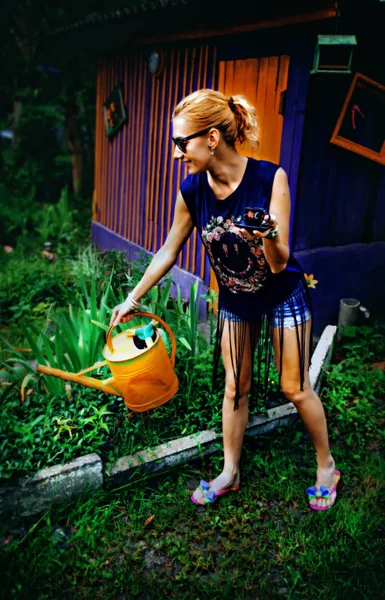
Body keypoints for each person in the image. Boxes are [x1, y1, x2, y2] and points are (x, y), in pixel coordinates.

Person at [110, 89, 340, 510]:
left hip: (281, 292)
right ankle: (230, 471)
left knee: (295, 386)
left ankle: (327, 465)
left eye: (183, 142)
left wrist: (268, 234)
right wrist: (132, 298)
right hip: (235, 298)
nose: (177, 153)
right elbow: (168, 251)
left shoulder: (272, 179)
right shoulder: (192, 190)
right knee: (236, 387)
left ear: (211, 138)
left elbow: (277, 262)